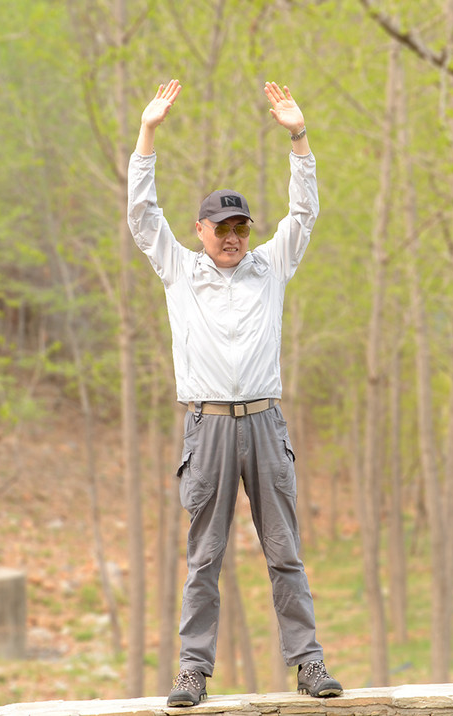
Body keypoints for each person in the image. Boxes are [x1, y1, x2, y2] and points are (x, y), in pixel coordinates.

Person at [127, 79, 342, 707]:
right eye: (222, 227)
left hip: (265, 425)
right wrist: (148, 133)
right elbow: (142, 216)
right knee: (205, 559)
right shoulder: (178, 269)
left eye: (241, 227)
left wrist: (299, 139)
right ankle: (192, 668)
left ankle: (308, 664)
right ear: (200, 229)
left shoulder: (270, 268)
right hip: (210, 427)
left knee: (285, 553)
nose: (233, 237)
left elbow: (304, 215)